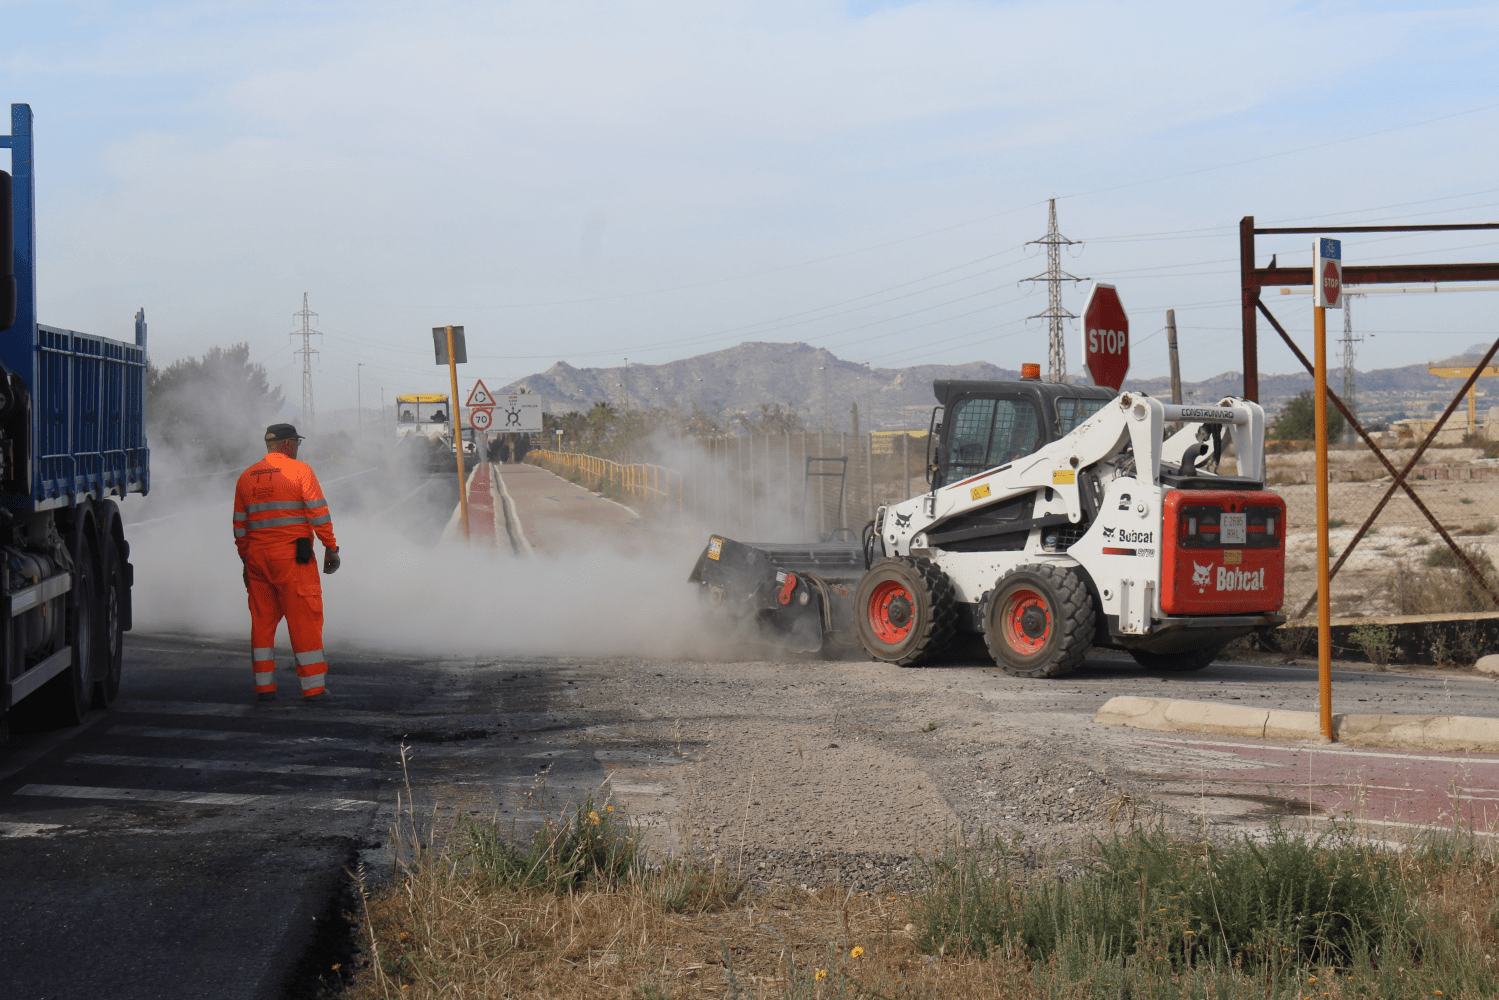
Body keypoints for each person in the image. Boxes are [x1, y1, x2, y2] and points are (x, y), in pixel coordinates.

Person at [233, 423, 341, 703]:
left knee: (262, 622)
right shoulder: (300, 471)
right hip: (294, 557)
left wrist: (246, 561)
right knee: (304, 619)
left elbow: (240, 527)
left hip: (257, 559)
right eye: (297, 443)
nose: (297, 448)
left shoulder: (246, 477)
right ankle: (313, 688)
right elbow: (318, 513)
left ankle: (264, 687)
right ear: (287, 444)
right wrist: (331, 547)